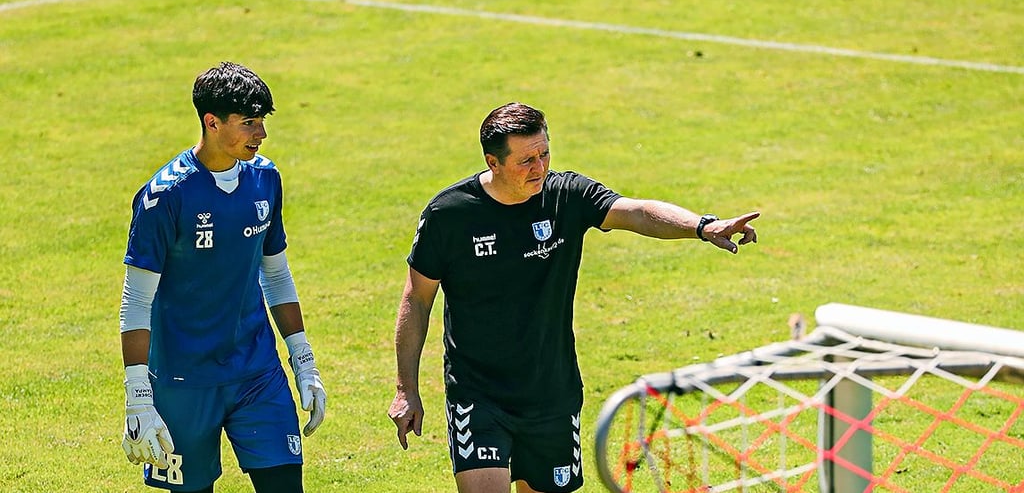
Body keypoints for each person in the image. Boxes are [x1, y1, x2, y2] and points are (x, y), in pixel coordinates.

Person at [388, 102, 758, 493]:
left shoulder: (567, 195)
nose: (539, 167)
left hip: (552, 393)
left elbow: (636, 212)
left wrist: (702, 226)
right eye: (526, 160)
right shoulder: (449, 215)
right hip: (478, 394)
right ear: (493, 162)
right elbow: (417, 300)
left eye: (544, 154)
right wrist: (405, 389)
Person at [119, 61, 327, 493]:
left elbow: (276, 275)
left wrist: (303, 360)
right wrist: (138, 395)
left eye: (262, 121)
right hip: (183, 381)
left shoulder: (265, 179)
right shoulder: (165, 196)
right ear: (212, 122)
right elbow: (136, 300)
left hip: (257, 371)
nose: (261, 134)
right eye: (248, 122)